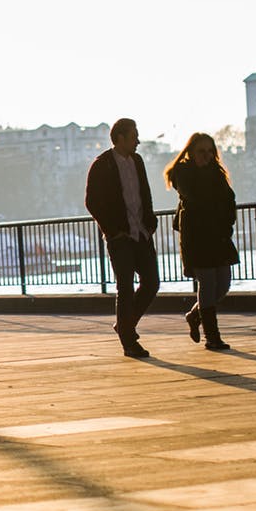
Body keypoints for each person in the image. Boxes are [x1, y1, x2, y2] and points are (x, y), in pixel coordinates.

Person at [86, 117, 159, 358]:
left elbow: (144, 194)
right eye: (133, 136)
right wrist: (112, 230)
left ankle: (125, 325)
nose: (137, 141)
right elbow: (92, 202)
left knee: (151, 283)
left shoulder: (137, 161)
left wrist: (150, 223)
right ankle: (129, 341)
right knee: (125, 287)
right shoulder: (102, 165)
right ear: (120, 138)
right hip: (120, 236)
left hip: (141, 232)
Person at [166, 132, 238, 353]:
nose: (206, 156)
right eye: (201, 151)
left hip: (219, 236)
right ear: (191, 152)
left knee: (223, 283)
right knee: (207, 284)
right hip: (197, 237)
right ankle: (212, 336)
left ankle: (195, 314)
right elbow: (197, 198)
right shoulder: (183, 174)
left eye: (210, 152)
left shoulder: (216, 173)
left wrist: (228, 223)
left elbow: (229, 199)